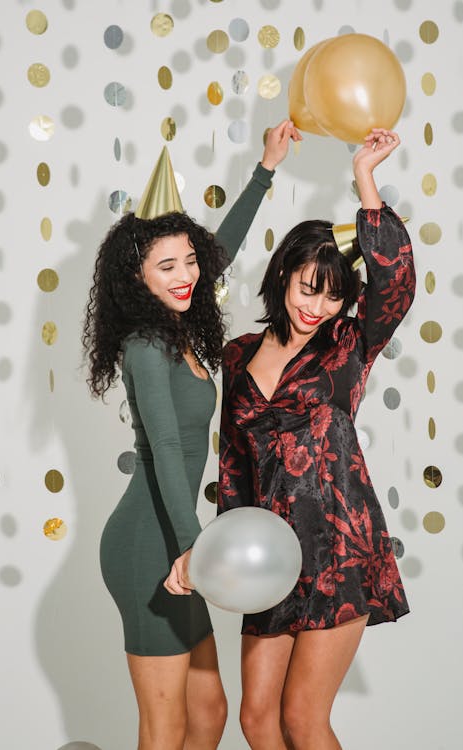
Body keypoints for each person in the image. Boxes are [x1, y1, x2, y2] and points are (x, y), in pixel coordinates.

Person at [82, 120, 301, 750]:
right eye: (166, 265)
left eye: (189, 261)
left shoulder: (179, 329)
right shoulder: (147, 345)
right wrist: (192, 549)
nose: (184, 275)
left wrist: (265, 169)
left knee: (209, 714)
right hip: (148, 545)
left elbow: (218, 251)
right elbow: (171, 452)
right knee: (167, 724)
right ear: (137, 278)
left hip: (175, 540)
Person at [218, 128, 415, 750]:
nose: (319, 306)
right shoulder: (237, 355)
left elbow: (397, 286)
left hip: (338, 549)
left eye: (334, 296)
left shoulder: (348, 345)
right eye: (309, 287)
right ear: (282, 274)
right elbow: (232, 466)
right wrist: (226, 557)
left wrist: (365, 178)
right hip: (268, 556)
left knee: (304, 721)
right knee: (256, 721)